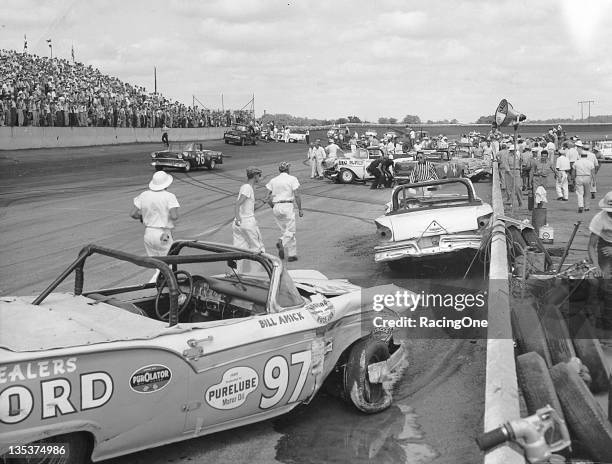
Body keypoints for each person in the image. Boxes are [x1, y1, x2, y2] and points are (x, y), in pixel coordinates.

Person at [130, 171, 180, 256]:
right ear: (166, 184)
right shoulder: (169, 196)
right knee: (169, 262)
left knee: (156, 263)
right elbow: (174, 216)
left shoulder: (144, 195)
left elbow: (133, 214)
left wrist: (143, 217)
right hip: (163, 233)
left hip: (148, 233)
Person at [264, 162, 303, 262]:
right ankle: (281, 241)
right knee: (291, 231)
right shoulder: (292, 179)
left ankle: (292, 255)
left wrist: (273, 207)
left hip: (276, 206)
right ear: (287, 169)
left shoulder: (273, 180)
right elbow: (297, 195)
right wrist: (300, 208)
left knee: (286, 231)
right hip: (287, 205)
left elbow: (267, 197)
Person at [587, 191, 612, 330]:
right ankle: (604, 321)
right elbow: (591, 246)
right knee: (605, 283)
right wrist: (596, 266)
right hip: (605, 246)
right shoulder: (599, 219)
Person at [233, 167, 265, 273]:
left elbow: (250, 208)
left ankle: (236, 273)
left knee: (239, 249)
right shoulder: (248, 188)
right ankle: (254, 274)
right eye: (259, 175)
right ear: (255, 176)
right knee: (258, 249)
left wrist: (264, 201)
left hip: (239, 224)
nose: (260, 177)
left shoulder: (245, 187)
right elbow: (238, 203)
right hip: (247, 222)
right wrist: (238, 216)